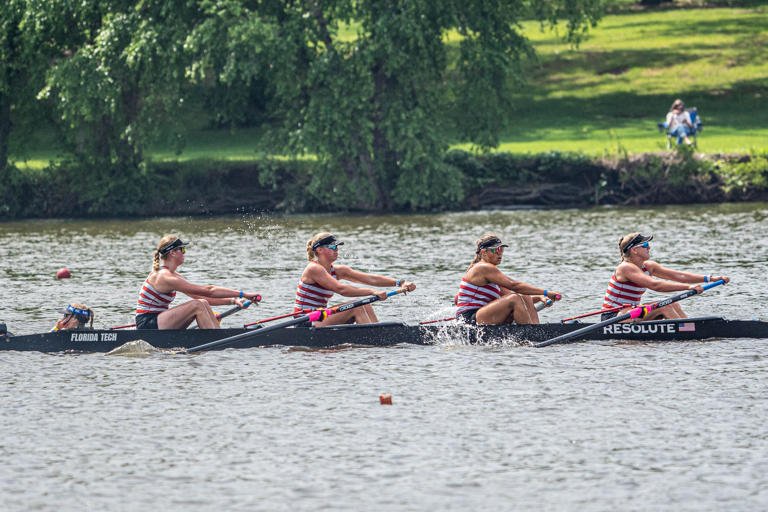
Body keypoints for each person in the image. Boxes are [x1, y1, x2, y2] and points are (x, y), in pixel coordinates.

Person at [135, 235, 261, 329]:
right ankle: (217, 339)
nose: (185, 253)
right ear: (172, 252)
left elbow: (202, 296)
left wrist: (233, 301)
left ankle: (217, 335)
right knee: (197, 305)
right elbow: (209, 291)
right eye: (182, 249)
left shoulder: (175, 276)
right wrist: (243, 294)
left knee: (202, 302)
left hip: (160, 320)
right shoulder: (165, 277)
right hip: (147, 324)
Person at [601, 232, 730, 321]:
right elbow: (655, 285)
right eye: (645, 245)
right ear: (634, 250)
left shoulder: (648, 266)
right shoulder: (625, 267)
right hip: (614, 316)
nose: (649, 247)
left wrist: (711, 279)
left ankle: (690, 328)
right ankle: (688, 335)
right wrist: (688, 287)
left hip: (630, 311)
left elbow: (680, 276)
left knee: (673, 304)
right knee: (665, 305)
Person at [295, 232, 416, 326]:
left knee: (365, 305)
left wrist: (400, 282)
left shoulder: (337, 270)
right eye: (332, 246)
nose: (336, 249)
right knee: (358, 306)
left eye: (337, 246)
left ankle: (378, 334)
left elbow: (370, 279)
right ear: (319, 250)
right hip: (304, 321)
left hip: (320, 316)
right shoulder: (314, 269)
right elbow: (341, 289)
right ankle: (376, 339)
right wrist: (373, 292)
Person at [455, 234, 562, 325]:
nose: (500, 254)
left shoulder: (492, 274)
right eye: (496, 250)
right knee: (515, 298)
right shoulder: (483, 268)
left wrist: (539, 298)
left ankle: (536, 329)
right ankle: (531, 333)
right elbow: (515, 286)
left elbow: (519, 297)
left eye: (501, 250)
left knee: (524, 296)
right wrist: (546, 292)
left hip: (482, 315)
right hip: (469, 319)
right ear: (484, 252)